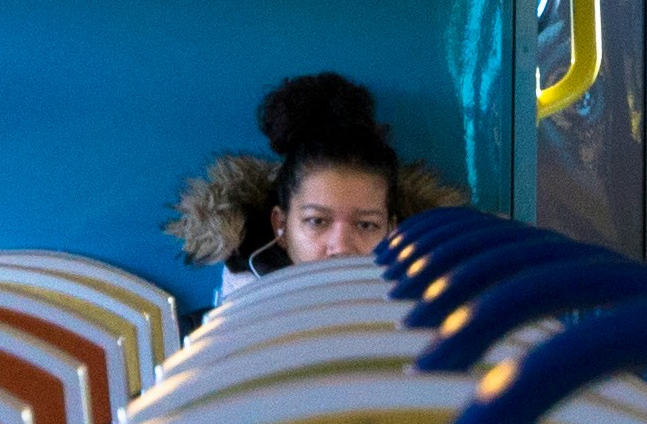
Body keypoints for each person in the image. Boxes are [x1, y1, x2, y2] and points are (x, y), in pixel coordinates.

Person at [167, 69, 460, 275]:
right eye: (317, 221)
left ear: (391, 230)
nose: (341, 247)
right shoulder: (225, 322)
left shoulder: (436, 303)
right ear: (280, 226)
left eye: (367, 225)